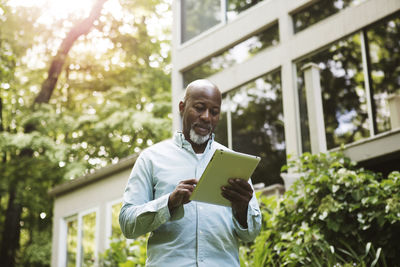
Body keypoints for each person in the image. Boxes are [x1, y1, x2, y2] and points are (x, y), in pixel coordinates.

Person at [119, 79, 261, 266]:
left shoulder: (234, 162)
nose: (206, 117)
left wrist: (242, 209)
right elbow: (128, 224)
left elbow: (251, 234)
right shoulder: (151, 158)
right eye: (199, 108)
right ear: (182, 107)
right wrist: (169, 203)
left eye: (214, 112)